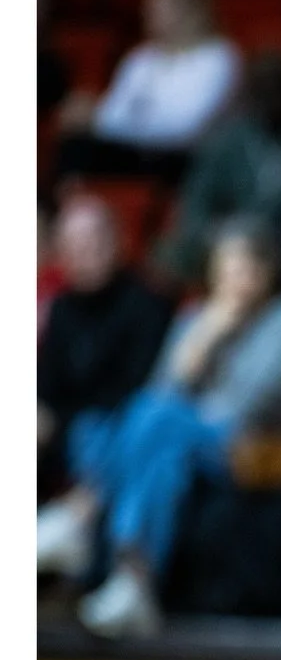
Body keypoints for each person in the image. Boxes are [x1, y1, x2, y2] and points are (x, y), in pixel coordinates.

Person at [35, 217, 281, 637]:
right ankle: (134, 580)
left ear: (265, 271)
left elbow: (248, 402)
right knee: (126, 435)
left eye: (240, 269)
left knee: (155, 419)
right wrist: (206, 333)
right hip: (182, 438)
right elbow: (165, 384)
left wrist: (217, 337)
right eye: (223, 270)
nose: (230, 281)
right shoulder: (201, 316)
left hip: (245, 444)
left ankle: (81, 513)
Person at [37, 196, 175, 503]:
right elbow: (47, 382)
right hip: (71, 426)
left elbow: (134, 385)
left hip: (117, 427)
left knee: (94, 429)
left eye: (93, 241)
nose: (84, 253)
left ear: (117, 242)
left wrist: (61, 416)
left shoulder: (148, 302)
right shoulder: (62, 308)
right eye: (73, 246)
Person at [148, 50, 281, 289]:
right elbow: (196, 204)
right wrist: (218, 236)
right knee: (168, 252)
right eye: (263, 89)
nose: (272, 98)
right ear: (250, 93)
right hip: (227, 239)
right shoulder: (227, 141)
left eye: (279, 88)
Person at [55, 0, 242, 186]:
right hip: (134, 151)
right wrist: (98, 117)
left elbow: (186, 128)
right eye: (152, 6)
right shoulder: (140, 59)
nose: (152, 13)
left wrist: (96, 118)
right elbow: (116, 110)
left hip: (186, 160)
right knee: (75, 146)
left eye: (167, 6)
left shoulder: (219, 59)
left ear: (194, 8)